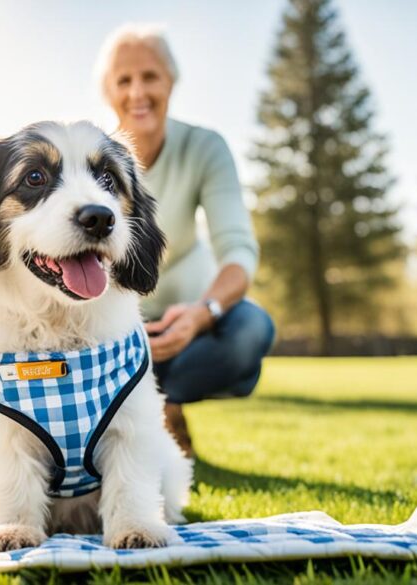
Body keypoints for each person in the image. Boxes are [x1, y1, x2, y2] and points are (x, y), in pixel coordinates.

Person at [95, 24, 275, 458]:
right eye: (124, 80)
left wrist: (203, 312)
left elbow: (238, 249)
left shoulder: (204, 148)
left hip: (188, 321)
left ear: (170, 82)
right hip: (113, 326)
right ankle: (121, 420)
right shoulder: (90, 158)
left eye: (150, 76)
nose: (138, 92)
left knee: (252, 329)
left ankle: (164, 405)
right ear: (109, 92)